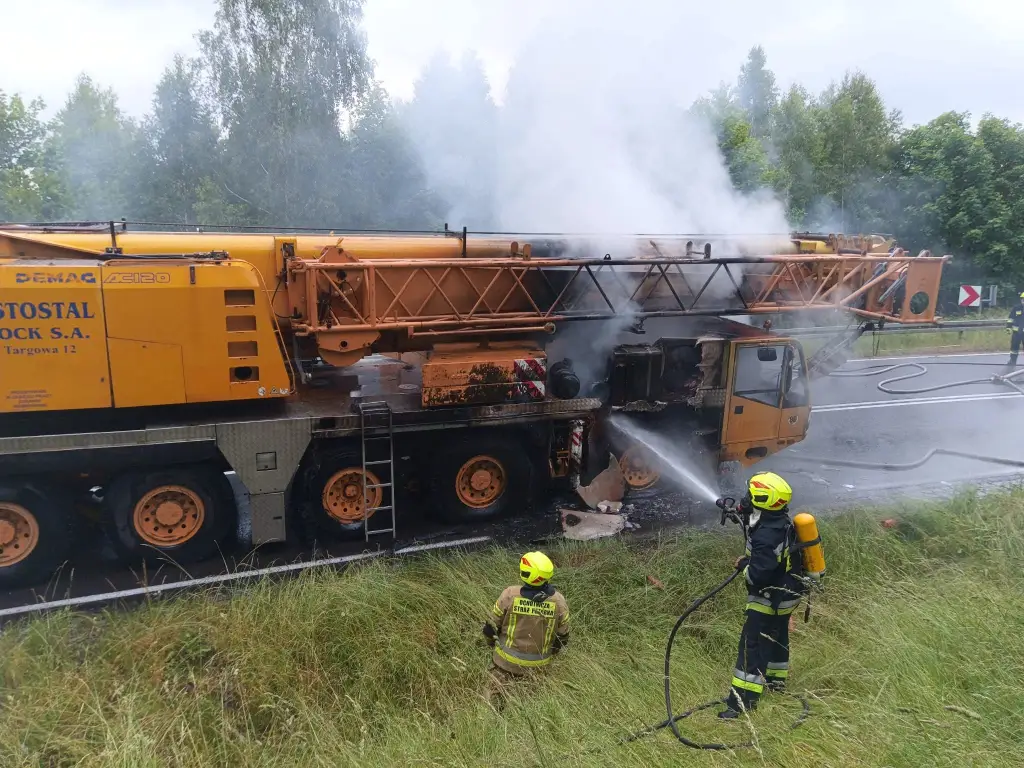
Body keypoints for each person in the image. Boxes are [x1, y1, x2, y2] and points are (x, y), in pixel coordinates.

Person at [720, 471, 806, 719]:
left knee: (751, 646)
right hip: (787, 592)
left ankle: (741, 703)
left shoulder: (767, 536)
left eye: (750, 494)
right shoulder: (777, 522)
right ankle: (775, 684)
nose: (746, 498)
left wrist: (744, 567)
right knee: (778, 638)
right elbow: (770, 558)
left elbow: (758, 575)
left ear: (763, 499)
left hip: (768, 597)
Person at [483, 551, 569, 703]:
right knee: (531, 704)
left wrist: (491, 644)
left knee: (495, 704)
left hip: (505, 663)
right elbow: (562, 637)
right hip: (539, 667)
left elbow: (489, 628)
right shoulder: (559, 601)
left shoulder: (509, 594)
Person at [1006, 292, 1024, 368]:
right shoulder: (1016, 308)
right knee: (1014, 348)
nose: (1023, 300)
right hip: (1016, 333)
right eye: (1022, 299)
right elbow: (1010, 318)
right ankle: (1012, 361)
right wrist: (1008, 327)